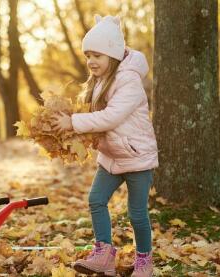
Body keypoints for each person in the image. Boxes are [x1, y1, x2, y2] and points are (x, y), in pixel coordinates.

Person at [50, 14, 158, 277]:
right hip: (111, 158)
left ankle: (144, 261)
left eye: (97, 55)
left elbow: (111, 117)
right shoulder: (98, 82)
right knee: (96, 200)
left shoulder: (129, 81)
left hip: (136, 157)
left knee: (137, 214)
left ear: (113, 54)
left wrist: (73, 122)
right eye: (88, 55)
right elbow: (94, 116)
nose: (91, 61)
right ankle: (104, 255)